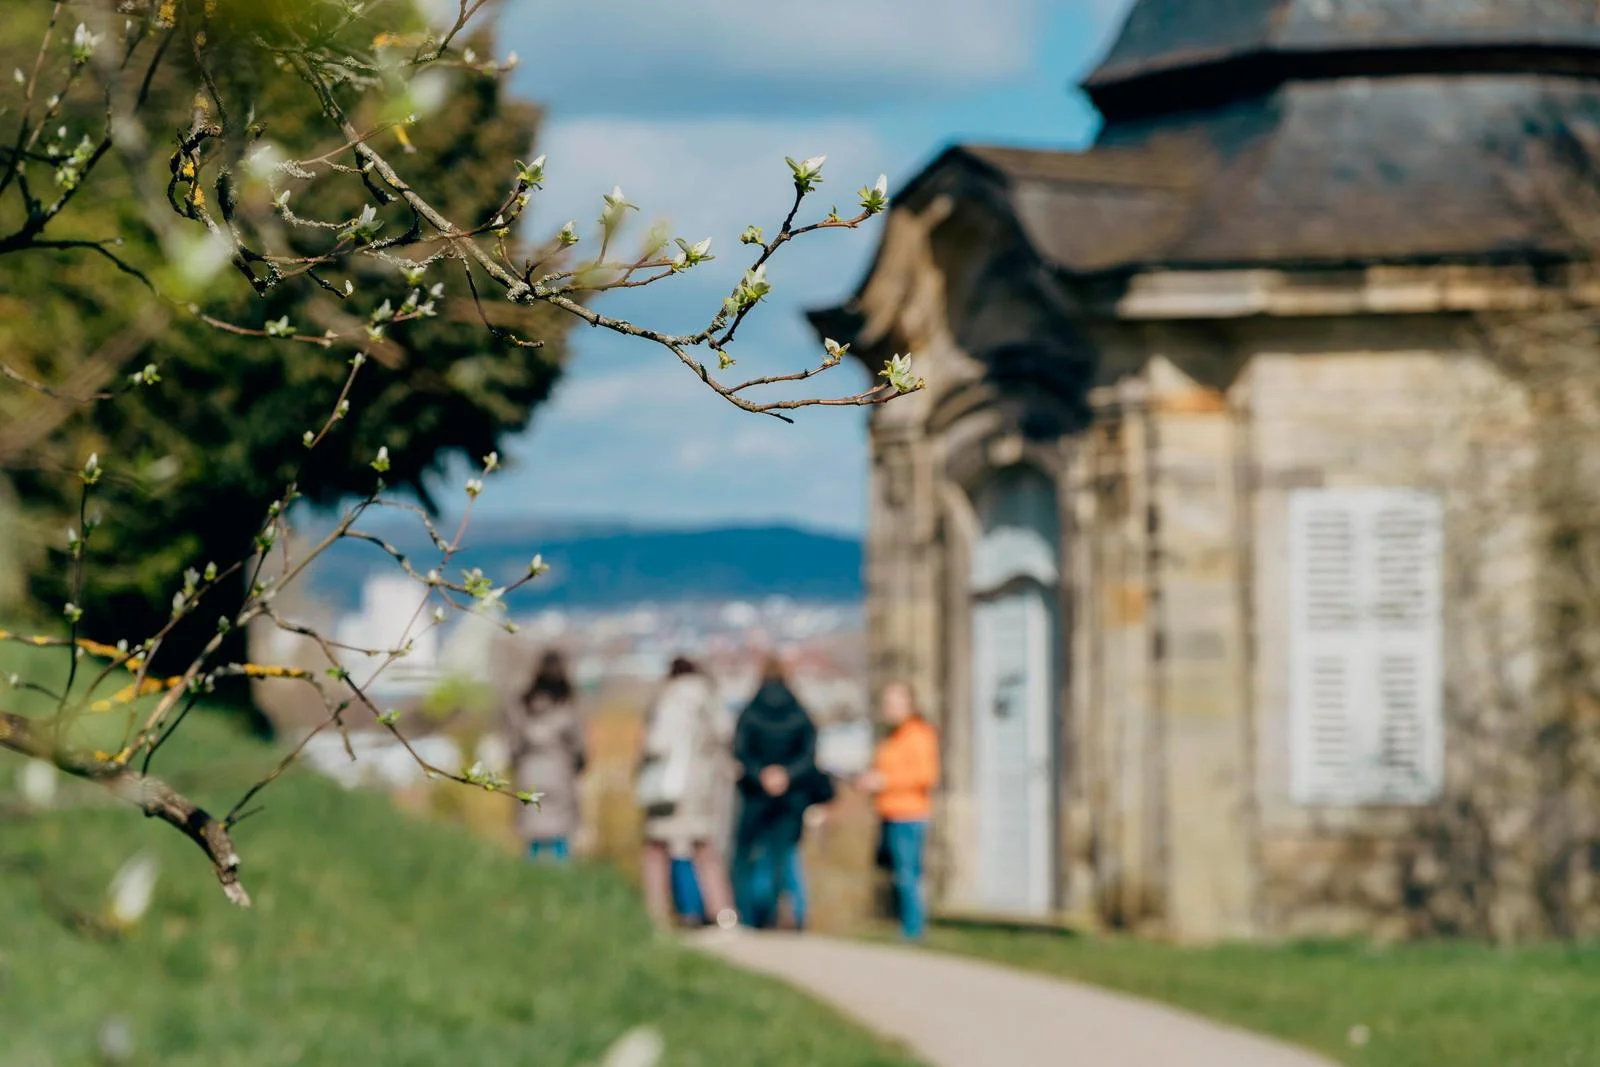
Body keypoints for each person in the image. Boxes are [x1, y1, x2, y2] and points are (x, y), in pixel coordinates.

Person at [635, 656, 738, 931]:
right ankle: (723, 914)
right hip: (703, 785)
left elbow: (657, 743)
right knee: (705, 848)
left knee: (656, 848)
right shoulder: (711, 699)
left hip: (668, 786)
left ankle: (656, 916)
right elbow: (725, 736)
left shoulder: (669, 700)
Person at [732, 654, 819, 930]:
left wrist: (761, 774)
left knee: (753, 858)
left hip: (755, 797)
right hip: (792, 799)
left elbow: (740, 751)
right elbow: (809, 754)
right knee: (786, 857)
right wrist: (787, 774)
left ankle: (755, 917)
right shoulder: (800, 712)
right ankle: (798, 915)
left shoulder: (749, 712)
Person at [857, 681, 939, 941]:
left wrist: (885, 781)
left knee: (907, 874)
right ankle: (906, 924)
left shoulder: (919, 735)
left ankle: (913, 928)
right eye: (887, 704)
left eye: (894, 704)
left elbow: (926, 775)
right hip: (889, 811)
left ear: (910, 705)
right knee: (898, 873)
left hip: (910, 813)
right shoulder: (890, 737)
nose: (889, 709)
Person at [503, 648, 586, 863]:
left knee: (532, 837)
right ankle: (561, 877)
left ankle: (530, 878)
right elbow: (579, 745)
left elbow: (513, 745)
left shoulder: (522, 704)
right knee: (560, 837)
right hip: (559, 775)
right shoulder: (567, 705)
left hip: (528, 774)